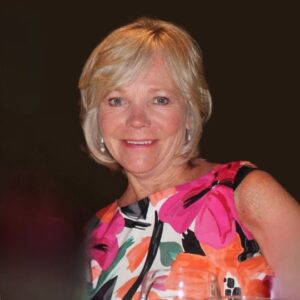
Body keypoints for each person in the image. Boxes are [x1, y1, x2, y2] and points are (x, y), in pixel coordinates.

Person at [78, 17, 300, 299]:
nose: (136, 120)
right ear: (98, 119)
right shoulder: (91, 240)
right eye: (116, 100)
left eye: (159, 99)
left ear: (188, 114)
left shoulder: (242, 193)